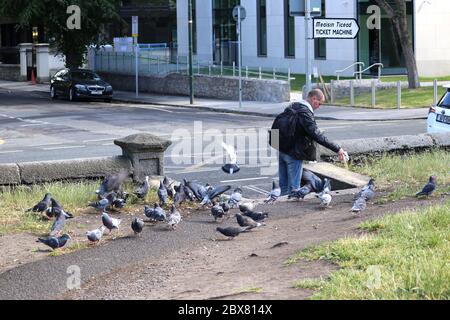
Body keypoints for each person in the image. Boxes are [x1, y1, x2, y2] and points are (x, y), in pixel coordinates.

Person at [275, 89, 347, 195]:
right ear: (314, 99)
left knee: (284, 187)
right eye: (320, 103)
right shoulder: (305, 113)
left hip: (282, 150)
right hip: (294, 154)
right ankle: (292, 211)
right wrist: (337, 149)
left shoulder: (293, 106)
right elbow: (317, 135)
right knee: (294, 189)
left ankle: (283, 209)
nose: (319, 106)